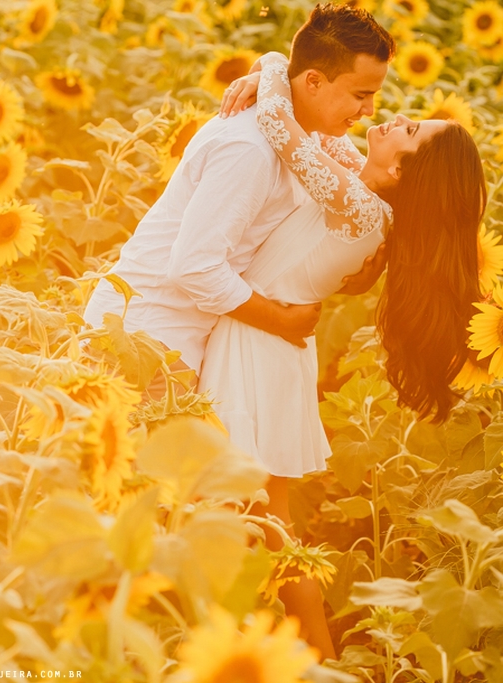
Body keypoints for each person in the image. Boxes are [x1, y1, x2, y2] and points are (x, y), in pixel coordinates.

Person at [198, 46, 485, 660]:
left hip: (258, 350)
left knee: (239, 518)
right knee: (267, 527)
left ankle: (241, 649)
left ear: (406, 172)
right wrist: (278, 66)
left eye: (407, 130)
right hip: (265, 346)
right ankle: (315, 661)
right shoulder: (356, 183)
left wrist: (272, 64)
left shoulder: (359, 209)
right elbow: (303, 128)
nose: (388, 119)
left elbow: (282, 128)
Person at [81, 4, 393, 405]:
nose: (368, 111)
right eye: (361, 95)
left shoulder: (307, 137)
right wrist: (281, 320)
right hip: (143, 340)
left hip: (173, 342)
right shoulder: (250, 150)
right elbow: (194, 266)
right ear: (314, 82)